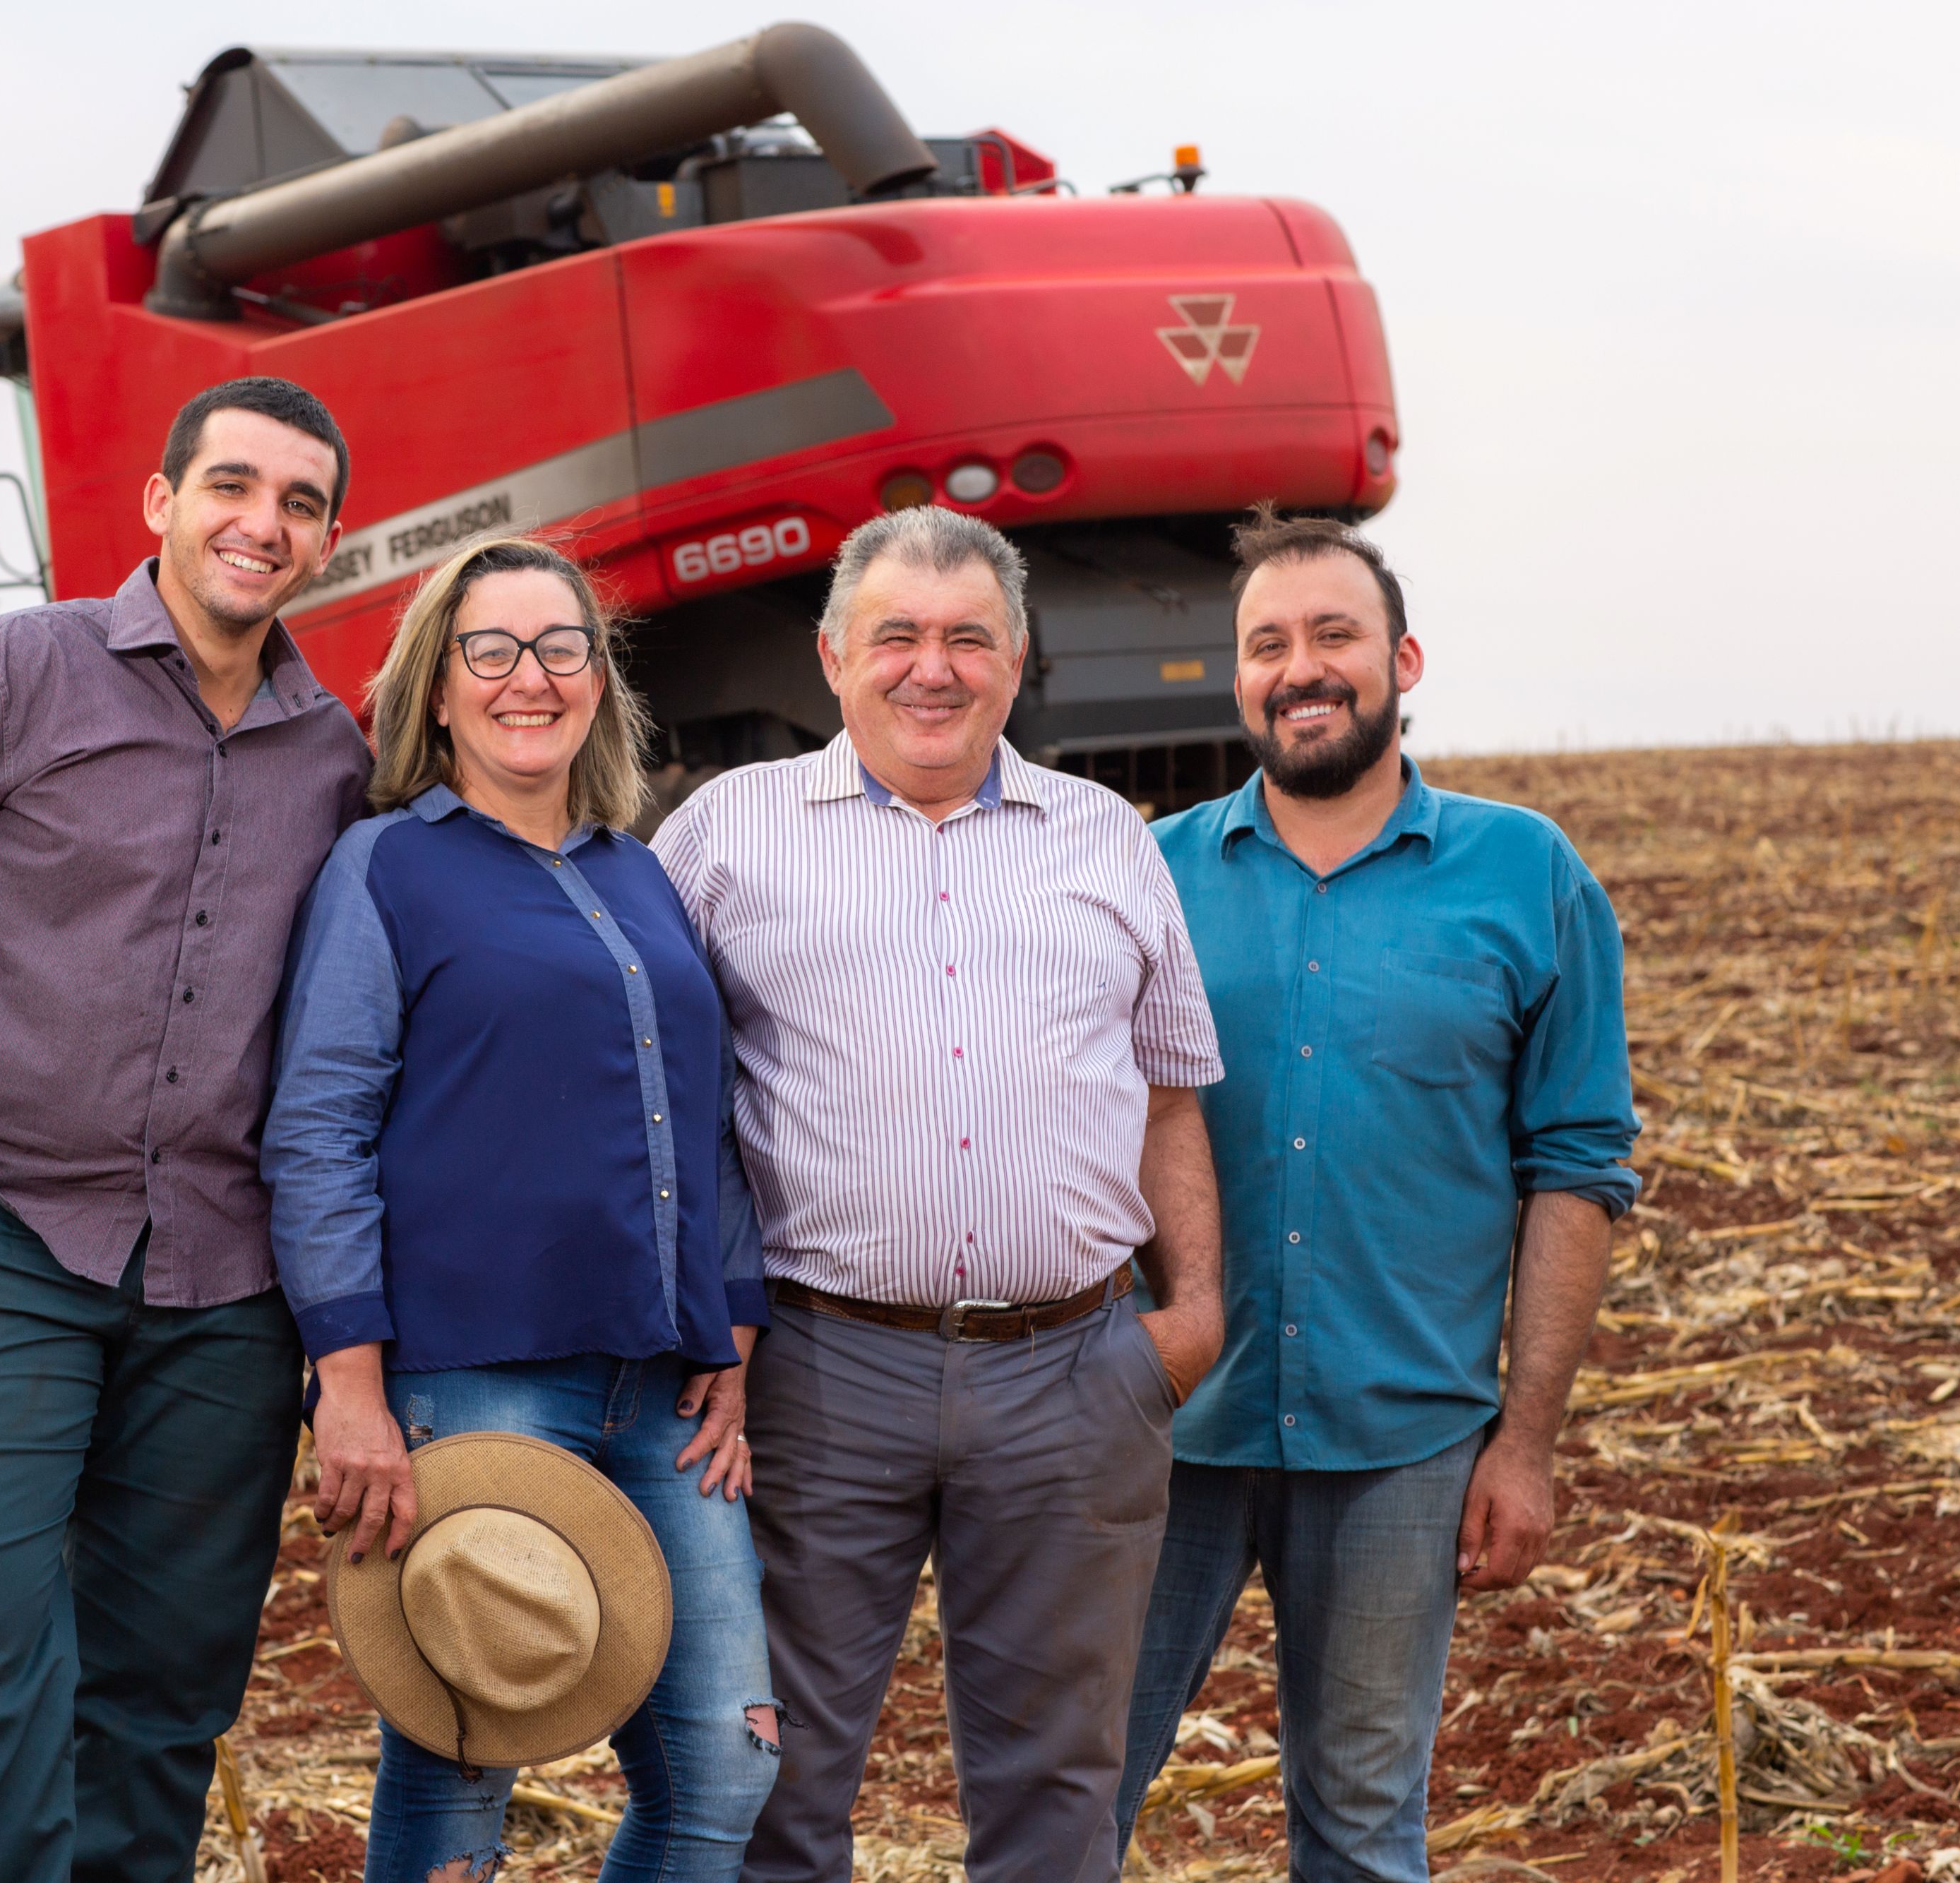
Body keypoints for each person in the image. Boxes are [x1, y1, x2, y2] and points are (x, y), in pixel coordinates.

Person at [0, 377, 373, 1883]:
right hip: (4, 1232)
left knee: (166, 1675)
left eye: (300, 502)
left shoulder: (336, 756)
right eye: (232, 484)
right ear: (160, 501)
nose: (264, 521)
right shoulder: (2, 676)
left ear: (326, 541)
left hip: (229, 1283)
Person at [650, 506, 1226, 1883]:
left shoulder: (1103, 837)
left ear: (1013, 661)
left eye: (966, 636)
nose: (932, 666)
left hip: (1073, 1370)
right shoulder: (723, 835)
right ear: (830, 655)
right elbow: (645, 1093)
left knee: (1055, 1788)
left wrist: (1190, 1314)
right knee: (775, 1771)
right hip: (811, 1370)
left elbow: (1165, 1094)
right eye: (895, 635)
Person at [1116, 506, 1640, 1882]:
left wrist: (1520, 1442)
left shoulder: (1525, 874)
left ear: (1400, 656)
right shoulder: (1145, 877)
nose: (1302, 667)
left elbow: (1575, 1170)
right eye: (1267, 643)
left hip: (1401, 1435)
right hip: (1159, 1427)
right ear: (1236, 678)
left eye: (1333, 634)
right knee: (1071, 1787)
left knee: (1358, 1822)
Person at [263, 534, 779, 1883]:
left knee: (726, 1758)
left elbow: (709, 1123)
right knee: (463, 1758)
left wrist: (734, 1333)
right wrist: (349, 1384)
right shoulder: (386, 868)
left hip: (663, 1383)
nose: (529, 679)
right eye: (491, 652)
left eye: (563, 650)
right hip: (474, 1381)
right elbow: (317, 1131)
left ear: (599, 684)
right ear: (437, 688)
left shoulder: (640, 871)